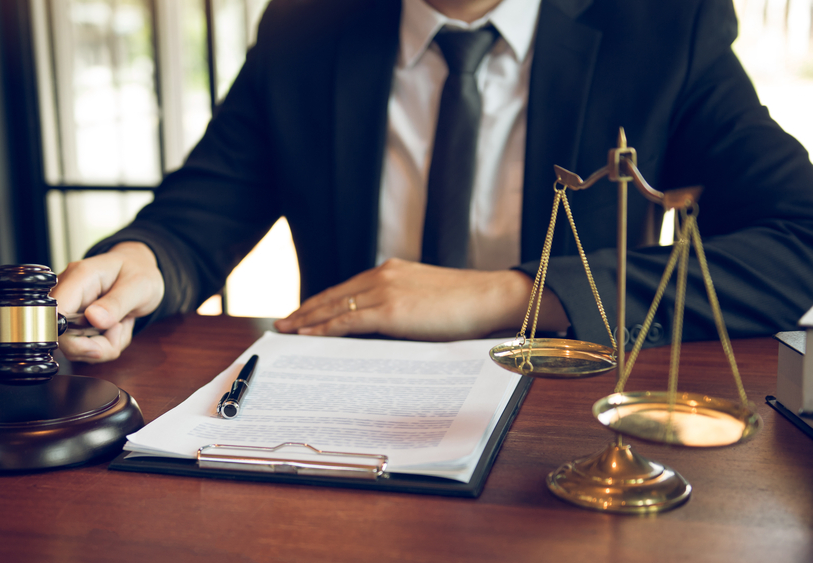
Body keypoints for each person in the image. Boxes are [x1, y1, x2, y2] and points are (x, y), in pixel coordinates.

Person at [54, 0, 813, 363]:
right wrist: (143, 263)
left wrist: (515, 293)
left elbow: (797, 235)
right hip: (346, 422)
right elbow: (198, 216)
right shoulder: (306, 28)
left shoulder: (661, 26)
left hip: (570, 434)